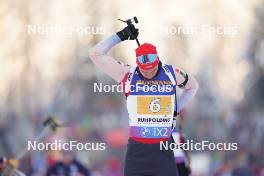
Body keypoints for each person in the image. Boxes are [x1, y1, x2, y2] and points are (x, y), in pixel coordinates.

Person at [88, 23, 198, 176]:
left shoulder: (172, 73)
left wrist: (175, 108)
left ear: (157, 61)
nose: (147, 73)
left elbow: (193, 86)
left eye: (151, 69)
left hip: (163, 149)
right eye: (143, 69)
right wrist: (120, 36)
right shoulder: (127, 73)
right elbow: (95, 54)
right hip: (137, 151)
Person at [172, 110, 192, 176]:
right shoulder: (175, 129)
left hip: (180, 161)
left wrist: (188, 160)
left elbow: (184, 146)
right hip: (174, 161)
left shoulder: (180, 130)